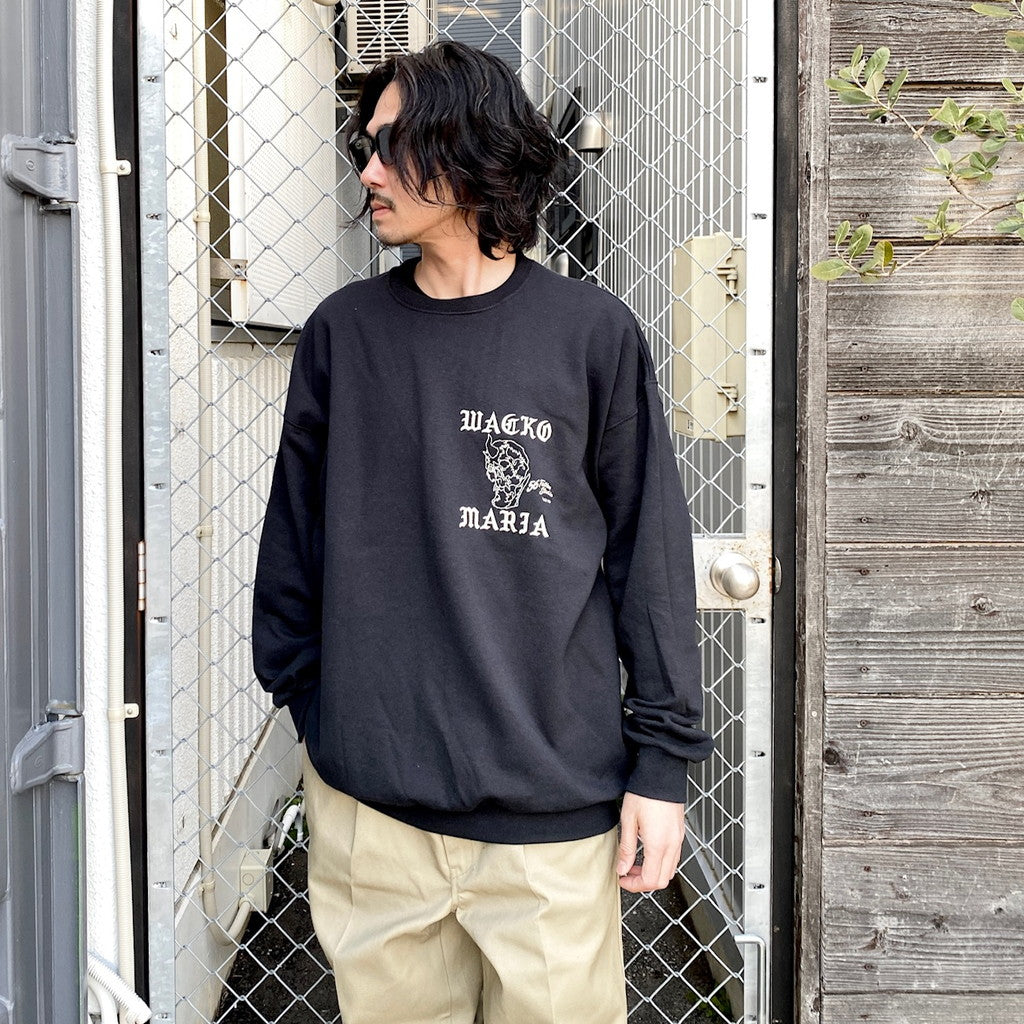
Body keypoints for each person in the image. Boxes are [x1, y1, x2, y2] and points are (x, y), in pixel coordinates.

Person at [251, 39, 713, 1024]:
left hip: (550, 821)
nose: (367, 173)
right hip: (372, 816)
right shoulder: (343, 333)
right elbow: (292, 545)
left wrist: (660, 767)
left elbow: (649, 559)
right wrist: (321, 717)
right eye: (364, 148)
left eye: (390, 145)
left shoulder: (589, 333)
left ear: (466, 148)